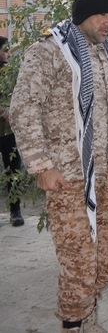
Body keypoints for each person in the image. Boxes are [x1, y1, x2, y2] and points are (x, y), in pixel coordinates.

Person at [10, 0, 108, 332]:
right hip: (67, 178)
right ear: (83, 14)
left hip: (106, 175)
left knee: (106, 258)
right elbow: (23, 107)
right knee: (79, 262)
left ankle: (88, 316)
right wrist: (41, 165)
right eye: (102, 14)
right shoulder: (49, 50)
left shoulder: (105, 53)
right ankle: (74, 325)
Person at [0, 36, 24, 227]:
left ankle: (15, 211)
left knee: (14, 170)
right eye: (5, 50)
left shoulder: (10, 72)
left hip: (9, 131)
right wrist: (3, 111)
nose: (9, 54)